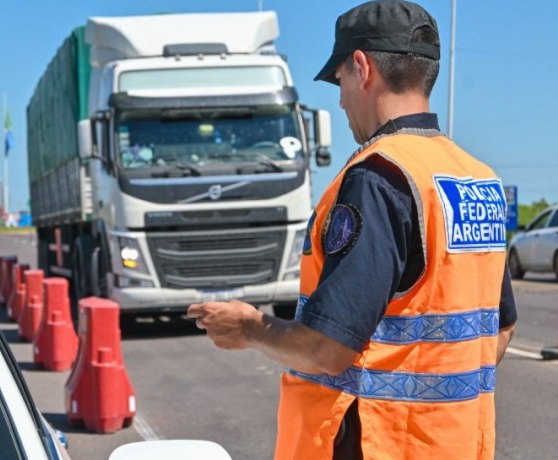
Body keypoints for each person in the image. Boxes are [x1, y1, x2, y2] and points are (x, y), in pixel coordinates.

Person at [187, 1, 517, 459]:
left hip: (380, 445)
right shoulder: (477, 179)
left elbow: (328, 348)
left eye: (339, 79)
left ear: (361, 68)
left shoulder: (379, 177)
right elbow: (498, 332)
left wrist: (248, 327)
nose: (340, 98)